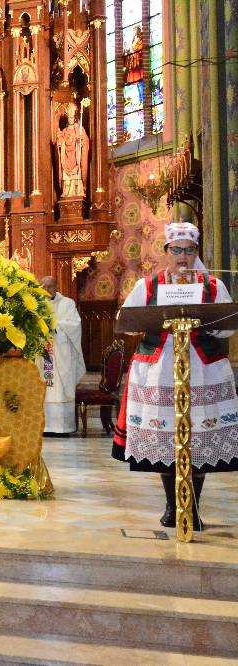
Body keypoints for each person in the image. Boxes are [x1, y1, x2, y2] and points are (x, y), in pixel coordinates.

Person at [113, 222, 238, 530]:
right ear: (166, 251)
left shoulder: (213, 286)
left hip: (203, 369)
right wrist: (144, 323)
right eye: (177, 250)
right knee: (167, 438)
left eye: (190, 250)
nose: (183, 257)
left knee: (198, 437)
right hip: (159, 370)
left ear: (196, 252)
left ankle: (192, 507)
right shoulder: (148, 286)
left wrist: (211, 326)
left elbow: (227, 325)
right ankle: (173, 505)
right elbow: (125, 320)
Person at [37, 276, 86, 434]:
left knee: (59, 389)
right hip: (42, 351)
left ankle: (63, 427)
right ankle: (43, 426)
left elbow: (74, 325)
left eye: (50, 286)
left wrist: (54, 326)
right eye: (43, 286)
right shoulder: (36, 304)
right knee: (43, 387)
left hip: (61, 351)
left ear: (57, 287)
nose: (46, 290)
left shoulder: (67, 303)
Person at [55, 110, 89, 198]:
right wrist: (60, 141)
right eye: (69, 118)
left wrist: (81, 140)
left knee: (77, 174)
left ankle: (78, 191)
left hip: (76, 155)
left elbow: (85, 141)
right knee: (66, 177)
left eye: (71, 118)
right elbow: (60, 141)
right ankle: (66, 192)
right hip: (66, 156)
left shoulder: (80, 129)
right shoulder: (64, 131)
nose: (70, 119)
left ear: (74, 118)